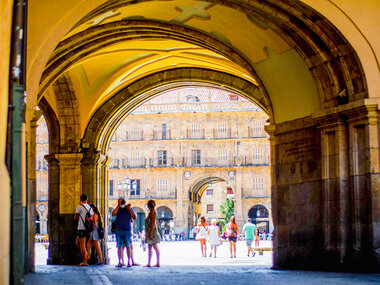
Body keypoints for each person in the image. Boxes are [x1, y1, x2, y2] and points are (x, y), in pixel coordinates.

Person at [112, 198, 136, 267]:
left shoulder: (129, 208)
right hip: (118, 229)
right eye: (118, 201)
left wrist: (128, 209)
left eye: (120, 202)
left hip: (127, 230)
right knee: (119, 247)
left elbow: (134, 217)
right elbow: (113, 214)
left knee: (128, 246)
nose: (120, 203)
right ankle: (120, 261)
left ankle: (129, 261)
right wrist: (118, 205)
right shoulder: (118, 208)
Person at [74, 194, 93, 266]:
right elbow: (91, 216)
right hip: (86, 228)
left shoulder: (79, 207)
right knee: (77, 243)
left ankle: (85, 261)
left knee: (82, 245)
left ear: (80, 199)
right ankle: (86, 255)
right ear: (87, 199)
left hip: (81, 227)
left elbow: (76, 217)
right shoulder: (89, 207)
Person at [145, 199, 160, 267]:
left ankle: (157, 262)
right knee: (150, 247)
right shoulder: (151, 212)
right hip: (150, 232)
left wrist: (151, 234)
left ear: (148, 206)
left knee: (155, 247)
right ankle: (149, 263)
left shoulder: (153, 212)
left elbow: (153, 223)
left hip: (152, 232)